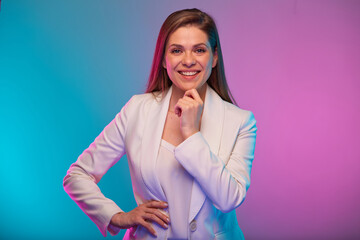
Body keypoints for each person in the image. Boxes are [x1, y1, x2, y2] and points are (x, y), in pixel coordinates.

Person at [63, 8, 257, 239]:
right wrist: (116, 216)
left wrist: (192, 133)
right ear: (164, 60)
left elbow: (229, 199)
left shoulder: (241, 122)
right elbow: (77, 175)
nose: (188, 61)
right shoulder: (137, 109)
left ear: (214, 58)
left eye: (199, 50)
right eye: (176, 50)